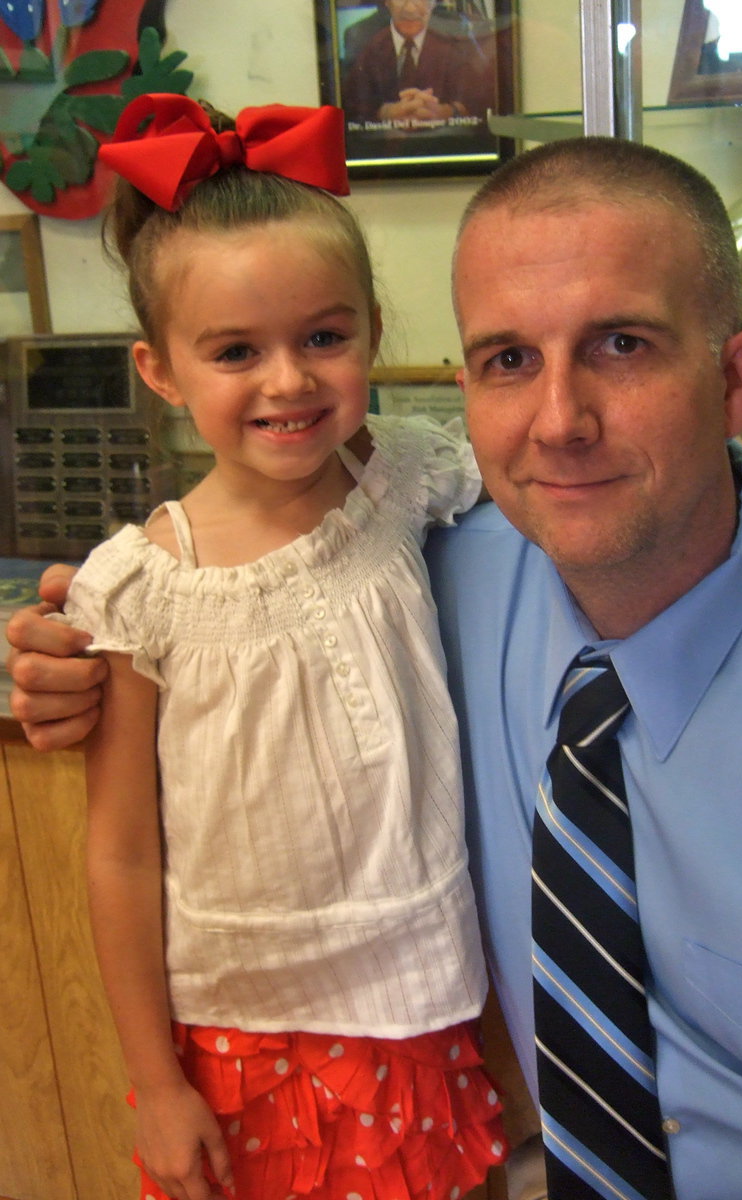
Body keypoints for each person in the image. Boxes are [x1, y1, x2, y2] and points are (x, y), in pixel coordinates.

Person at [9, 136, 742, 1200]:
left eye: (621, 344)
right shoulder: (436, 563)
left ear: (738, 375)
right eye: (509, 360)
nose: (559, 424)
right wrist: (77, 656)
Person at [19, 92, 508, 1200]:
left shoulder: (412, 481)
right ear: (161, 370)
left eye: (323, 338)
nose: (288, 381)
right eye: (236, 350)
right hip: (240, 1034)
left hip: (422, 997)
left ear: (372, 331)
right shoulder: (143, 589)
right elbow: (122, 853)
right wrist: (155, 1082)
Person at [341, 0, 491, 127]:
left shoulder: (458, 34)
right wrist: (384, 113)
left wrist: (448, 112)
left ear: (434, 3)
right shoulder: (362, 38)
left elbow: (483, 100)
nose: (410, 9)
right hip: (384, 147)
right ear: (387, 2)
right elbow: (350, 107)